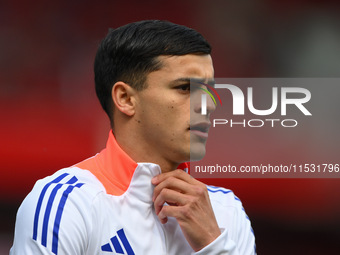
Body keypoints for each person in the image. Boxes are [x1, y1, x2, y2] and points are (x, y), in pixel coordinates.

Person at [11, 20, 256, 254]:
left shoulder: (226, 211)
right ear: (126, 99)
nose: (208, 105)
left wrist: (214, 245)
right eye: (185, 88)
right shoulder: (65, 203)